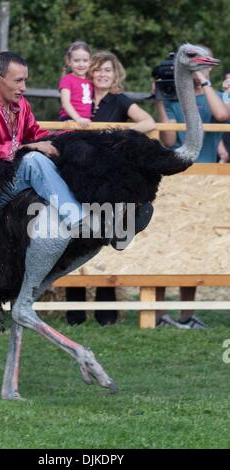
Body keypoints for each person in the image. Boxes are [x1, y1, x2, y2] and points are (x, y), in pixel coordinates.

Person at [0, 51, 90, 285]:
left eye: (25, 80)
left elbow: (36, 135)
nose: (24, 87)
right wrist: (27, 147)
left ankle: (88, 212)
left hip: (8, 181)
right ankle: (78, 220)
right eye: (18, 80)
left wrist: (70, 141)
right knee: (33, 159)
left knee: (64, 153)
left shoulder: (21, 105)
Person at [66, 51, 156, 326]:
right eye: (98, 70)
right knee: (76, 237)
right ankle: (75, 313)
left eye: (108, 70)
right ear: (91, 72)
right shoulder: (80, 98)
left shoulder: (119, 100)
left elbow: (148, 122)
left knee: (102, 240)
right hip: (80, 176)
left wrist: (112, 130)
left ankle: (106, 314)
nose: (103, 74)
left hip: (106, 179)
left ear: (115, 74)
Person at [155, 46, 230, 329]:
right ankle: (159, 313)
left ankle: (187, 315)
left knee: (194, 249)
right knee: (165, 246)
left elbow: (222, 115)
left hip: (207, 181)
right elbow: (168, 137)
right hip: (177, 180)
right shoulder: (176, 100)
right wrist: (161, 100)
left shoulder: (217, 98)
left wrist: (204, 80)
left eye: (205, 63)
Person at [59, 41, 93, 128]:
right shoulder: (67, 79)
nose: (81, 64)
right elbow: (65, 102)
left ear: (90, 62)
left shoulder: (90, 81)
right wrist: (77, 118)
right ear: (69, 62)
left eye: (85, 60)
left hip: (86, 122)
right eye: (76, 60)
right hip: (70, 119)